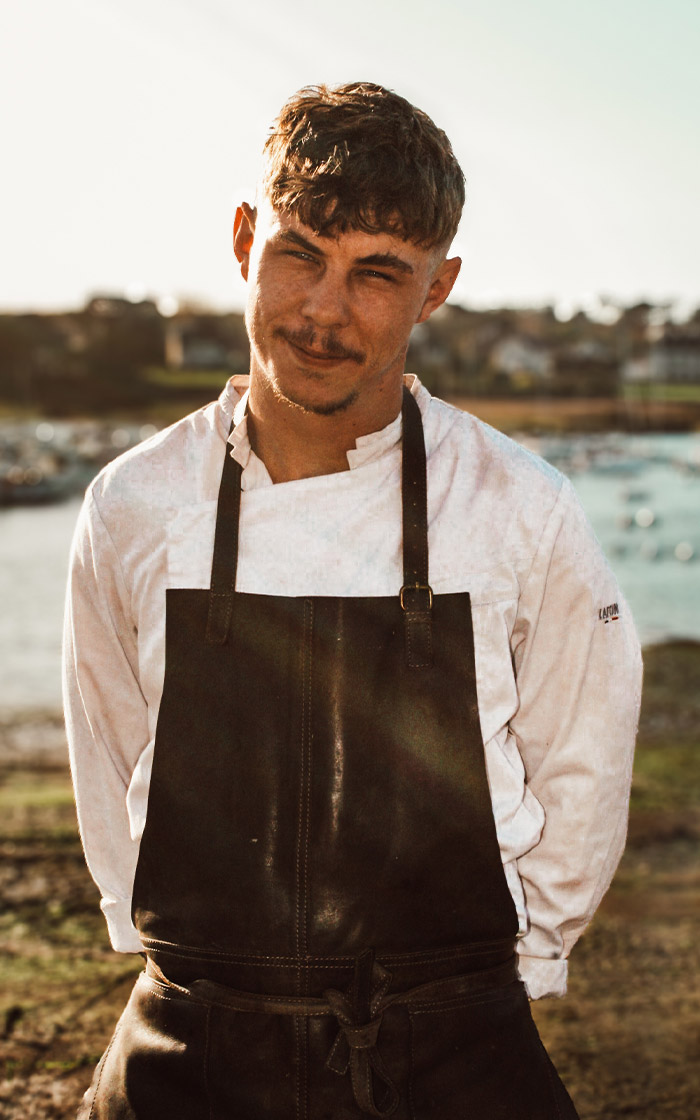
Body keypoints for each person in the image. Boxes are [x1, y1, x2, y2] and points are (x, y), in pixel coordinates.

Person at [64, 82, 641, 1119]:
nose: (324, 312)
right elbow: (108, 761)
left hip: (452, 1053)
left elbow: (583, 766)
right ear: (243, 239)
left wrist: (499, 979)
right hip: (191, 1048)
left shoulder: (521, 509)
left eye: (377, 273)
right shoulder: (133, 504)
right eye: (300, 254)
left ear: (435, 288)